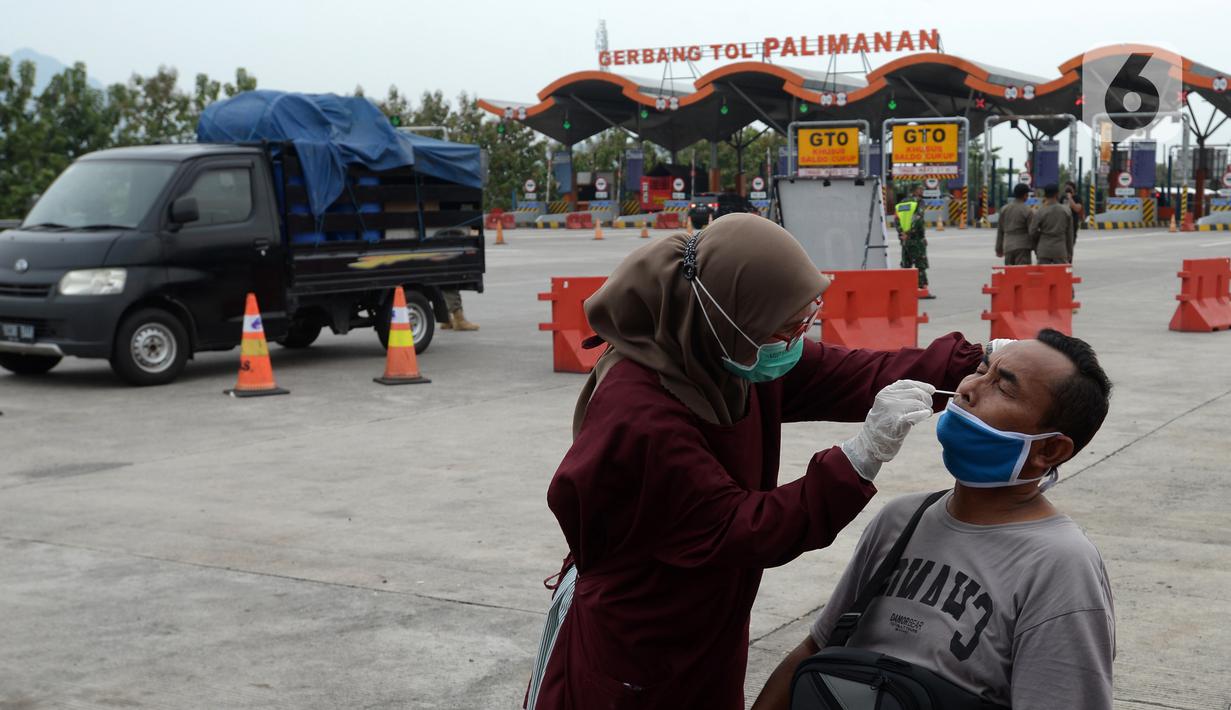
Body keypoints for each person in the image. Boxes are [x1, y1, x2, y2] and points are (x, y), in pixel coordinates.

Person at [526, 214, 987, 710]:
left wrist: (973, 364)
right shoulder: (638, 414)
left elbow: (850, 372)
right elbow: (740, 529)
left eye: (802, 322)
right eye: (785, 328)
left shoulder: (729, 355)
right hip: (642, 633)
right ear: (727, 317)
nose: (794, 340)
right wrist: (861, 457)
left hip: (710, 616)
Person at [753, 330, 1115, 710]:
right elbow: (817, 647)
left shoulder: (1061, 566)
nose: (969, 389)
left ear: (1049, 449)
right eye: (980, 369)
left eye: (1004, 389)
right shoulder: (903, 518)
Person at [896, 185, 932, 296]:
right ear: (915, 190)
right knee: (920, 264)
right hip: (916, 238)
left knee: (906, 265)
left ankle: (905, 290)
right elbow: (917, 219)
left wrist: (901, 233)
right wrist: (909, 233)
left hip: (904, 240)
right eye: (920, 189)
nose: (922, 190)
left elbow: (897, 219)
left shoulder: (902, 202)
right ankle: (922, 290)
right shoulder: (919, 202)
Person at [1029, 184, 1074, 265]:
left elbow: (1032, 232)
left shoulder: (1040, 211)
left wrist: (1037, 246)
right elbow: (1069, 235)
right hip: (1060, 249)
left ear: (1045, 195)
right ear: (1057, 194)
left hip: (1044, 248)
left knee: (1043, 276)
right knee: (1060, 276)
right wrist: (1070, 252)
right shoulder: (1066, 211)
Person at [995, 183, 1034, 265]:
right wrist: (1036, 248)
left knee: (1010, 274)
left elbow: (1000, 231)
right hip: (1023, 247)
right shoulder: (1027, 210)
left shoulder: (1004, 209)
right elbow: (1032, 231)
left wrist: (999, 249)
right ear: (1025, 195)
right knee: (1021, 274)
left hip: (1008, 246)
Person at [1061, 181, 1083, 260]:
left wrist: (1070, 198)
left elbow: (1077, 209)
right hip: (1062, 224)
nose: (1067, 190)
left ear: (1073, 189)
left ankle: (1069, 261)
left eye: (1069, 188)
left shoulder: (1077, 198)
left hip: (1073, 225)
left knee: (1070, 244)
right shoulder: (1062, 198)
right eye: (1066, 188)